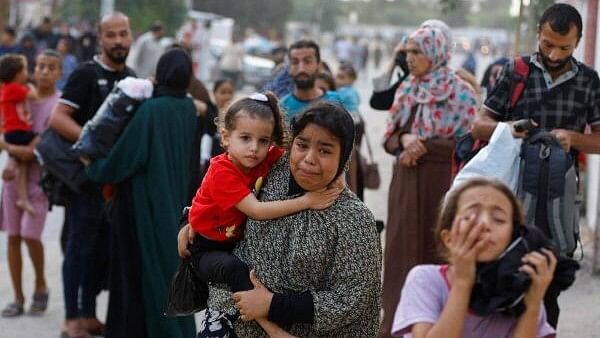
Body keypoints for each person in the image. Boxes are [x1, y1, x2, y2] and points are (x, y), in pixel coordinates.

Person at [179, 102, 382, 337]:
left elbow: (351, 299)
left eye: (325, 150)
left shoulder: (353, 219)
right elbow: (217, 190)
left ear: (344, 155)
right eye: (302, 145)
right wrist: (188, 220)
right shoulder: (269, 173)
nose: (309, 159)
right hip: (232, 320)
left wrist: (271, 304)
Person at [470, 3, 600, 328]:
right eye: (548, 44)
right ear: (538, 33)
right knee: (501, 281)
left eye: (565, 47)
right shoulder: (516, 71)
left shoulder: (589, 81)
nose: (555, 54)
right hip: (511, 196)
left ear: (578, 41)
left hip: (558, 203)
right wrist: (511, 130)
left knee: (548, 291)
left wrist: (574, 138)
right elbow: (479, 125)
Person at [84, 48, 198, 338]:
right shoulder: (187, 107)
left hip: (142, 207)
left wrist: (93, 167)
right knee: (167, 273)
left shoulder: (151, 110)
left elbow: (124, 159)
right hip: (173, 206)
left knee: (135, 278)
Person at [379, 25, 478, 338]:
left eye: (417, 51)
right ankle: (396, 326)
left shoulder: (461, 92)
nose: (410, 58)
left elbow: (473, 143)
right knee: (399, 251)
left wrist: (429, 146)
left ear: (436, 52)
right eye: (408, 51)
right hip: (406, 182)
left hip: (443, 182)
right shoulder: (406, 88)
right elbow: (388, 137)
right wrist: (405, 138)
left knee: (438, 249)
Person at [48, 12, 135, 338]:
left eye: (122, 34)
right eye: (111, 35)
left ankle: (87, 315)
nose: (118, 41)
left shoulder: (133, 79)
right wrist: (92, 140)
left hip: (116, 186)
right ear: (100, 38)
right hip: (85, 183)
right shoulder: (86, 74)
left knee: (101, 252)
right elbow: (58, 118)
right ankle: (72, 319)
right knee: (79, 249)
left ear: (131, 36)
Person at [392, 178, 557, 338]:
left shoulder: (521, 289)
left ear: (513, 237)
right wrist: (463, 282)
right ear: (448, 238)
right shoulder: (425, 280)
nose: (485, 224)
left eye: (498, 220)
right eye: (470, 217)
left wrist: (532, 305)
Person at [0, 50, 62, 318]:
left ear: (59, 73)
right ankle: (17, 297)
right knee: (13, 236)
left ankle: (40, 283)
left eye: (50, 67)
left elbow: (37, 146)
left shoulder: (60, 105)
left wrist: (9, 146)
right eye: (39, 66)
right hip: (13, 180)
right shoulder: (18, 94)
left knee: (30, 235)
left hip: (41, 181)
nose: (43, 71)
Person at [0, 54, 39, 214]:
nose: (27, 73)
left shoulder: (6, 89)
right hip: (17, 131)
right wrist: (30, 85)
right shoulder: (14, 88)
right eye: (24, 69)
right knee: (41, 138)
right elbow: (34, 96)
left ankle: (22, 198)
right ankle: (22, 196)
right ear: (16, 73)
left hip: (13, 132)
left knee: (22, 164)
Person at [279, 40, 343, 119]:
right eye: (295, 62)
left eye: (308, 62)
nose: (301, 69)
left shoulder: (334, 101)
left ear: (319, 66)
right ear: (289, 68)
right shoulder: (282, 107)